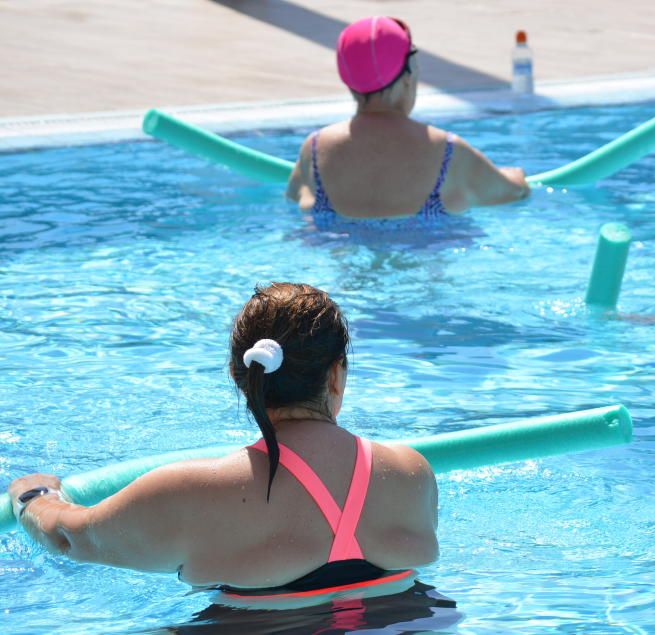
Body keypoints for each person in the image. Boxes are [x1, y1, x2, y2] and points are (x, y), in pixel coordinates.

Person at [7, 283, 438, 601]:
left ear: (241, 379)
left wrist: (36, 497)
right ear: (336, 376)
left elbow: (71, 541)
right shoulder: (409, 471)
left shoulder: (192, 492)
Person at [286, 16, 530, 228]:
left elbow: (294, 196)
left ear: (346, 76)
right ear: (409, 72)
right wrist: (516, 176)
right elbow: (512, 191)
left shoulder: (315, 150)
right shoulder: (447, 152)